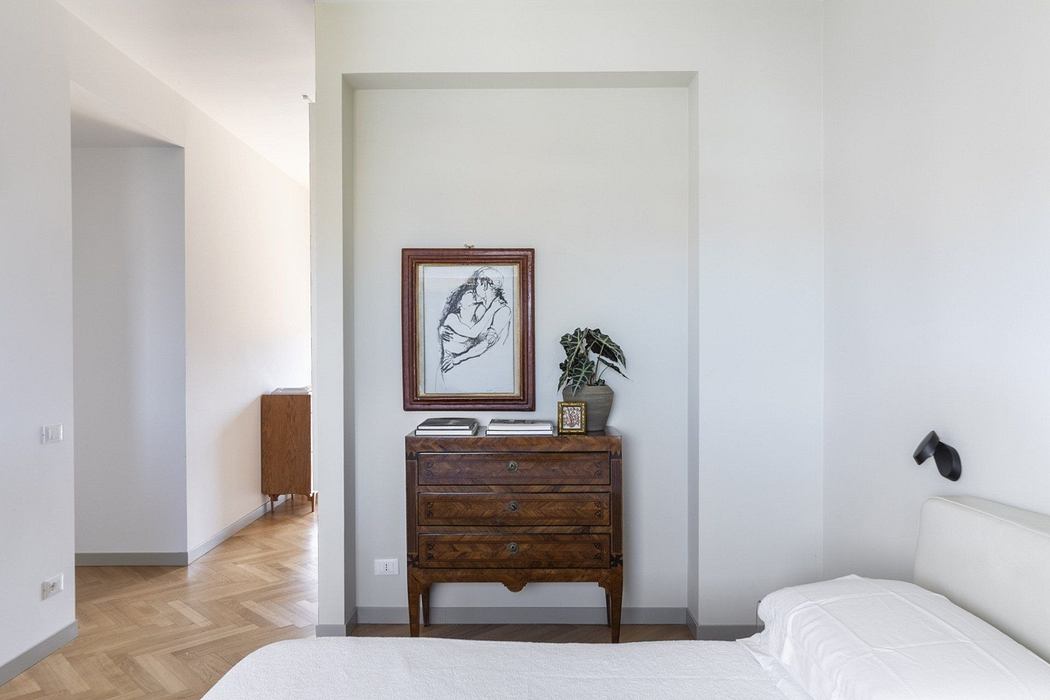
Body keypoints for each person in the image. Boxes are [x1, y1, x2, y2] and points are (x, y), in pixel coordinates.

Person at [438, 267, 511, 374]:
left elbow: (485, 343)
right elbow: (467, 328)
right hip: (457, 366)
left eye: (476, 284)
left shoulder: (502, 310)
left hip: (482, 369)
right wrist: (442, 329)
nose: (474, 289)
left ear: (484, 285)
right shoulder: (479, 307)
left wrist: (456, 359)